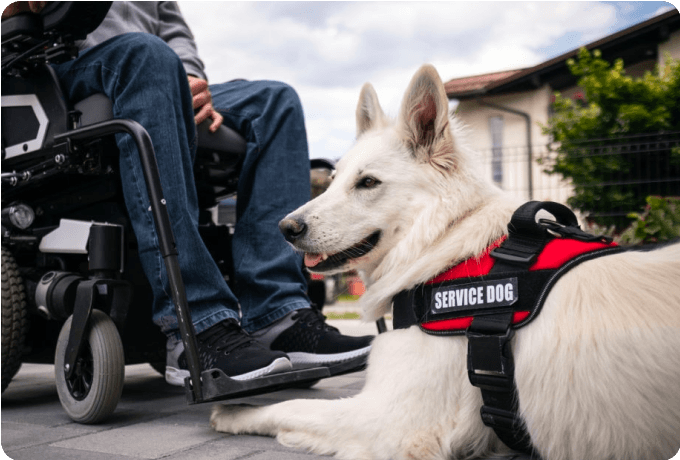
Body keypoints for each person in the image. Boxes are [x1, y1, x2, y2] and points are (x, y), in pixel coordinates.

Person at [4, 1, 372, 386]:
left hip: (156, 72)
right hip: (57, 66)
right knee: (148, 56)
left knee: (275, 102)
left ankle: (277, 316)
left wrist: (192, 79)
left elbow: (174, 30)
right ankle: (198, 324)